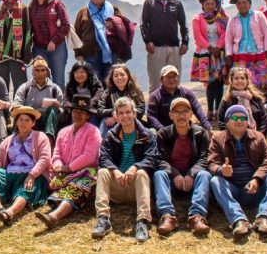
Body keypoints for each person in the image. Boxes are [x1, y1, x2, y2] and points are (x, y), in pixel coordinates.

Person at [207, 105, 267, 239]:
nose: (239, 121)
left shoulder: (258, 137)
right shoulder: (218, 138)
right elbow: (212, 163)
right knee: (215, 181)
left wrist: (257, 179)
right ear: (227, 121)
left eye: (243, 117)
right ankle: (239, 220)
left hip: (256, 189)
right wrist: (221, 170)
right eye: (235, 117)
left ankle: (264, 218)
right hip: (233, 190)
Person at [91, 97, 158, 243]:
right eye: (121, 113)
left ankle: (143, 222)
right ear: (116, 115)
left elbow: (151, 158)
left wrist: (135, 168)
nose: (125, 116)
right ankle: (103, 219)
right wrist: (115, 171)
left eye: (128, 112)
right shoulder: (110, 136)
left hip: (138, 188)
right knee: (103, 172)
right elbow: (103, 158)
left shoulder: (147, 134)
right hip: (118, 185)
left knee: (141, 173)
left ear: (134, 113)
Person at [36, 92, 102, 229]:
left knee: (79, 185)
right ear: (71, 112)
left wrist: (69, 168)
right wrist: (59, 166)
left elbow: (90, 156)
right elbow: (57, 153)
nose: (78, 115)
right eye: (75, 111)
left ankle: (54, 217)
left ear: (88, 116)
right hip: (64, 173)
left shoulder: (93, 131)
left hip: (86, 172)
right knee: (49, 177)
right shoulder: (63, 132)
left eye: (82, 113)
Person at [152, 98, 211, 236]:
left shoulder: (200, 133)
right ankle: (167, 216)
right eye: (177, 112)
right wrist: (175, 174)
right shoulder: (163, 134)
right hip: (173, 181)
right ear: (170, 115)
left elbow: (204, 158)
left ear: (191, 114)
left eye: (185, 111)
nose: (181, 115)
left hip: (193, 181)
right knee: (159, 174)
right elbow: (160, 159)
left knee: (205, 175)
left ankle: (196, 217)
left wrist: (191, 173)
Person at [0, 106, 52, 226]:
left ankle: (9, 213)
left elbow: (45, 158)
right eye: (21, 119)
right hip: (11, 173)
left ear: (33, 123)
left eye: (27, 120)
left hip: (32, 174)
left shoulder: (40, 137)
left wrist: (32, 175)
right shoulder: (9, 140)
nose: (23, 123)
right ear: (16, 122)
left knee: (26, 189)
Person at [141, 0, 189, 87]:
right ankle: (154, 105)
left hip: (174, 48)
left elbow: (183, 25)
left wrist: (185, 43)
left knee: (174, 83)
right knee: (156, 83)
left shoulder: (177, 4)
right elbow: (144, 24)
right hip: (155, 48)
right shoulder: (149, 3)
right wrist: (148, 42)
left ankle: (174, 105)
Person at [224, 0, 267, 93]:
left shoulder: (259, 16)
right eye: (239, 3)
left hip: (259, 55)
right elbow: (228, 40)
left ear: (249, 3)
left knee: (263, 86)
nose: (242, 5)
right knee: (242, 85)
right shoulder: (232, 20)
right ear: (236, 5)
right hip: (240, 56)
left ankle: (263, 108)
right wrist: (229, 55)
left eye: (244, 2)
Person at [191, 0, 228, 117]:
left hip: (218, 53)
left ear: (216, 5)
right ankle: (210, 110)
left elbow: (224, 34)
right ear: (203, 5)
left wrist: (218, 47)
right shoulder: (197, 19)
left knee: (219, 82)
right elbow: (198, 36)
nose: (210, 6)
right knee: (210, 82)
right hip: (205, 53)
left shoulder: (221, 19)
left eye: (212, 4)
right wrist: (209, 47)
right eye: (207, 4)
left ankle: (219, 110)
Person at [72, 0, 124, 81]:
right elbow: (76, 34)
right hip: (90, 54)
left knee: (111, 82)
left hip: (111, 54)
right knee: (94, 83)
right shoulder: (83, 12)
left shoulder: (113, 10)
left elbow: (122, 30)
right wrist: (78, 53)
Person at [28, 0, 71, 86]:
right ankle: (44, 103)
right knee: (41, 79)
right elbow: (29, 29)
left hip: (57, 47)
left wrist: (54, 41)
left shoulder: (57, 5)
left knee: (58, 79)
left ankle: (59, 103)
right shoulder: (31, 8)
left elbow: (66, 25)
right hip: (39, 48)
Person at [11, 56, 65, 139]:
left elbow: (62, 111)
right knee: (22, 112)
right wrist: (19, 107)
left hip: (48, 122)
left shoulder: (55, 89)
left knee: (52, 110)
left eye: (43, 70)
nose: (40, 73)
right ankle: (13, 140)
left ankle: (49, 139)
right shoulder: (25, 88)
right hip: (30, 121)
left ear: (47, 72)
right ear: (33, 72)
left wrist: (58, 107)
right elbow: (16, 104)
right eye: (37, 70)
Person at [147, 65, 211, 132]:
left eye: (174, 77)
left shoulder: (187, 93)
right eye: (168, 77)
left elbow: (198, 109)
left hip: (185, 129)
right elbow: (151, 116)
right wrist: (164, 131)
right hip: (163, 131)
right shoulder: (154, 97)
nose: (171, 79)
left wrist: (207, 125)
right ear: (161, 79)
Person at [92, 63, 147, 135]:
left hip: (131, 120)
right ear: (112, 78)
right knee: (105, 121)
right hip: (111, 123)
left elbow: (141, 110)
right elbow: (100, 110)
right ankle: (103, 144)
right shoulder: (107, 93)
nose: (119, 78)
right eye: (116, 76)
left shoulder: (136, 91)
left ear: (128, 76)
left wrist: (119, 117)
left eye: (122, 75)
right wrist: (112, 112)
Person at [216, 66, 267, 133]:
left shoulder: (256, 98)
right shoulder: (226, 100)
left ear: (247, 81)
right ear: (232, 81)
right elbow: (221, 121)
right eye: (236, 78)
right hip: (233, 139)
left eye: (242, 78)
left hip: (257, 138)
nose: (239, 81)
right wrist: (235, 136)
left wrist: (258, 137)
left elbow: (264, 120)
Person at [62, 60, 105, 128]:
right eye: (76, 72)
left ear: (88, 73)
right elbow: (66, 100)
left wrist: (87, 105)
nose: (79, 75)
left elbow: (98, 97)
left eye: (82, 72)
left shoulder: (96, 84)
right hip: (75, 110)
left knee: (92, 120)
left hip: (91, 111)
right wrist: (74, 107)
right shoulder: (70, 85)